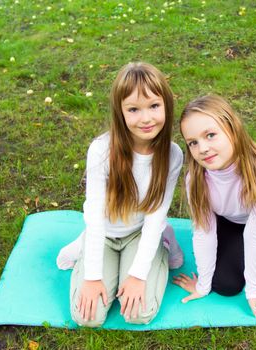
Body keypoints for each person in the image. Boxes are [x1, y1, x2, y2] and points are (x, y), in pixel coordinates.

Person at [56, 62, 184, 327]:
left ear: (166, 106)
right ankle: (84, 247)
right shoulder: (102, 150)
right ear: (120, 112)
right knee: (87, 318)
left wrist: (137, 276)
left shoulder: (172, 155)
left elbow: (155, 215)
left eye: (154, 106)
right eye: (134, 109)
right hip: (103, 234)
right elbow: (94, 216)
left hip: (140, 232)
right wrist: (92, 278)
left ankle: (165, 239)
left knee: (140, 313)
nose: (146, 118)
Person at [173, 95, 256, 318]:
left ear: (233, 130)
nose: (202, 148)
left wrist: (254, 291)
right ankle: (234, 255)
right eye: (193, 142)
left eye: (210, 135)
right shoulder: (195, 179)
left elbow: (254, 236)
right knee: (224, 285)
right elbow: (204, 231)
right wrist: (203, 285)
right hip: (227, 221)